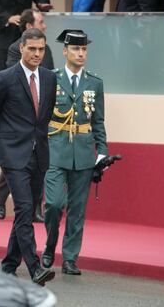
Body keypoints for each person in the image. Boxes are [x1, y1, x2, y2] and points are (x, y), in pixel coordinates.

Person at [0, 28, 56, 286]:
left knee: (25, 212)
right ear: (22, 48)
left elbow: (44, 117)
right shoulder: (4, 78)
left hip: (40, 154)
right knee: (25, 208)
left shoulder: (49, 78)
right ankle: (35, 268)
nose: (37, 54)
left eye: (41, 49)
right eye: (32, 49)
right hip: (13, 155)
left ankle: (9, 264)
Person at [41, 30, 108, 275]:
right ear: (65, 51)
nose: (81, 53)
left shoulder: (95, 82)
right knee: (55, 204)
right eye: (76, 49)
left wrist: (102, 152)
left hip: (83, 153)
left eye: (84, 49)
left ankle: (70, 257)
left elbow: (98, 121)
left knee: (78, 210)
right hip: (55, 149)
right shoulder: (50, 78)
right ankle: (50, 244)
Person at [0, 8, 55, 223]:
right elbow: (13, 78)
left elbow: (50, 78)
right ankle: (0, 201)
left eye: (41, 50)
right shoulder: (13, 51)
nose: (38, 54)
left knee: (34, 175)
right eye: (40, 21)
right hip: (17, 123)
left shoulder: (46, 52)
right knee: (13, 171)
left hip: (37, 130)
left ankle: (35, 210)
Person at [0, 0, 52, 78]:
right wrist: (8, 17)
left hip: (22, 35)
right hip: (0, 35)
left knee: (26, 76)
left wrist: (42, 3)